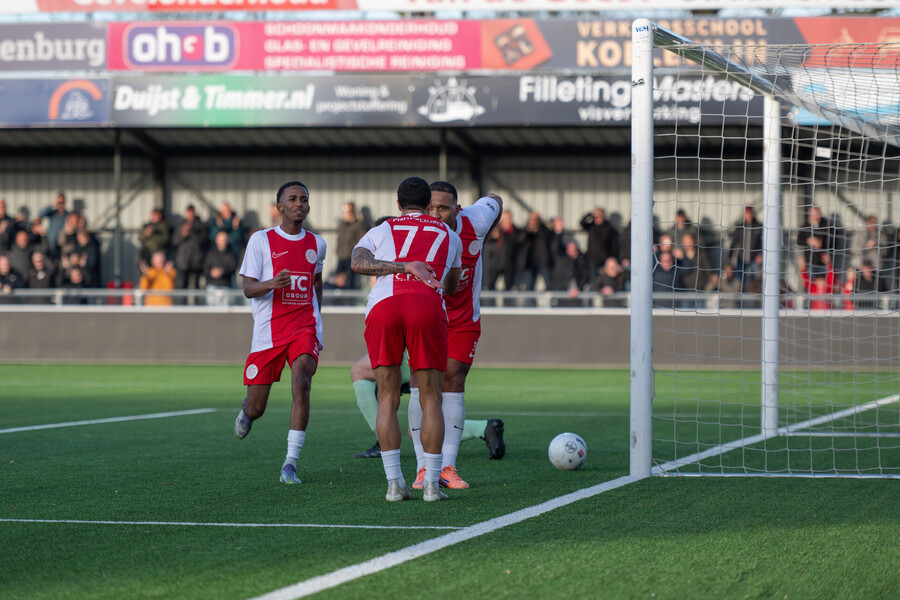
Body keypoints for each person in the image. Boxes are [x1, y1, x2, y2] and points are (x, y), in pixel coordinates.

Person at [351, 176, 462, 502]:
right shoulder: (449, 234)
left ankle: (394, 484)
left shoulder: (381, 230)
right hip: (427, 308)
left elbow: (357, 263)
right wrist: (421, 269)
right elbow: (452, 287)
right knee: (430, 397)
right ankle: (430, 485)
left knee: (387, 397)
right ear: (430, 205)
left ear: (398, 205)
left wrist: (401, 266)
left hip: (384, 308)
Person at [408, 181, 503, 491]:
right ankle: (423, 468)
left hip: (463, 320)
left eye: (443, 208)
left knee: (454, 380)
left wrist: (487, 232)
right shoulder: (416, 231)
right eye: (430, 207)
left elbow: (496, 200)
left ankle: (446, 466)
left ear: (458, 209)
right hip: (426, 315)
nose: (435, 214)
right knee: (421, 384)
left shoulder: (475, 221)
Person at [232, 181, 327, 486]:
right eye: (293, 199)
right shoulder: (261, 241)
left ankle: (290, 463)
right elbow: (247, 289)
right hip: (268, 334)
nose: (300, 203)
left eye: (304, 199)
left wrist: (317, 320)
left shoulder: (318, 244)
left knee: (302, 384)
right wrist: (272, 283)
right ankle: (247, 413)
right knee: (256, 406)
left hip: (304, 327)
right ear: (280, 207)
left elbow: (317, 283)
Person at [173, 205, 207, 299]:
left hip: (197, 260)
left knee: (196, 286)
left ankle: (197, 308)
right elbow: (175, 241)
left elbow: (204, 240)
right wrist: (184, 233)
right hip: (183, 261)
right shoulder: (180, 225)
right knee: (183, 285)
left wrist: (193, 231)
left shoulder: (200, 225)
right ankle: (182, 308)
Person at [580, 207, 619, 282]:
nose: (597, 218)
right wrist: (590, 215)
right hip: (592, 259)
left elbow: (614, 245)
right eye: (595, 216)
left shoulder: (608, 228)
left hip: (604, 260)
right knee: (593, 280)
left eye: (598, 216)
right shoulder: (591, 227)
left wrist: (612, 258)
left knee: (605, 280)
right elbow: (582, 223)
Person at [334, 201, 367, 288]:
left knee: (350, 280)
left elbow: (360, 239)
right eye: (346, 211)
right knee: (339, 279)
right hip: (341, 256)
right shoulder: (342, 224)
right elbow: (340, 239)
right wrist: (338, 250)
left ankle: (350, 299)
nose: (348, 213)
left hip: (351, 257)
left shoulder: (358, 224)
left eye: (350, 211)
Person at [203, 230, 238, 306]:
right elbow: (205, 268)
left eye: (225, 239)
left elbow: (233, 268)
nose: (223, 242)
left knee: (224, 314)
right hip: (211, 287)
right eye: (221, 240)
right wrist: (211, 273)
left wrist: (223, 272)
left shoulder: (231, 254)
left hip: (225, 287)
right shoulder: (210, 254)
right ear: (216, 240)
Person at [37, 191, 68, 259]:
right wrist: (51, 205)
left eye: (62, 203)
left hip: (61, 247)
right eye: (59, 203)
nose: (61, 205)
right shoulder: (52, 214)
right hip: (50, 246)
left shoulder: (67, 215)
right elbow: (40, 214)